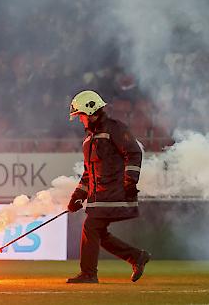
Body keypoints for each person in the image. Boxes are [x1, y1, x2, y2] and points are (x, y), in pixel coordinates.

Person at [66, 90, 150, 284]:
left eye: (80, 116)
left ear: (90, 111)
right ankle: (136, 257)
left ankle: (88, 273)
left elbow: (134, 153)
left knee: (91, 227)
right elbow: (89, 173)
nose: (79, 120)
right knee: (97, 233)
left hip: (115, 193)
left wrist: (130, 182)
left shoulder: (115, 128)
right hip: (99, 197)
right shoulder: (88, 140)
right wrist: (77, 196)